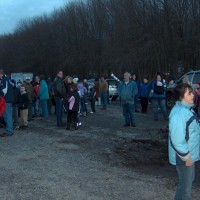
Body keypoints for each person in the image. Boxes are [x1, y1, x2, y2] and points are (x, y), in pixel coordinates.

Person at [168, 83, 200, 199]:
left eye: (192, 92)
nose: (193, 95)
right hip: (184, 157)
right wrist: (187, 157)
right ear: (181, 97)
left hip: (188, 154)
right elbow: (177, 140)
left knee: (184, 184)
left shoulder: (187, 109)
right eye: (189, 93)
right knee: (186, 191)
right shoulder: (179, 113)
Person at [0, 69, 14, 137]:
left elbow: (4, 90)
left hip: (6, 100)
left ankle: (9, 131)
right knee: (7, 115)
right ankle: (9, 129)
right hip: (8, 100)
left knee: (7, 115)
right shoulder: (7, 79)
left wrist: (0, 97)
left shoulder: (4, 79)